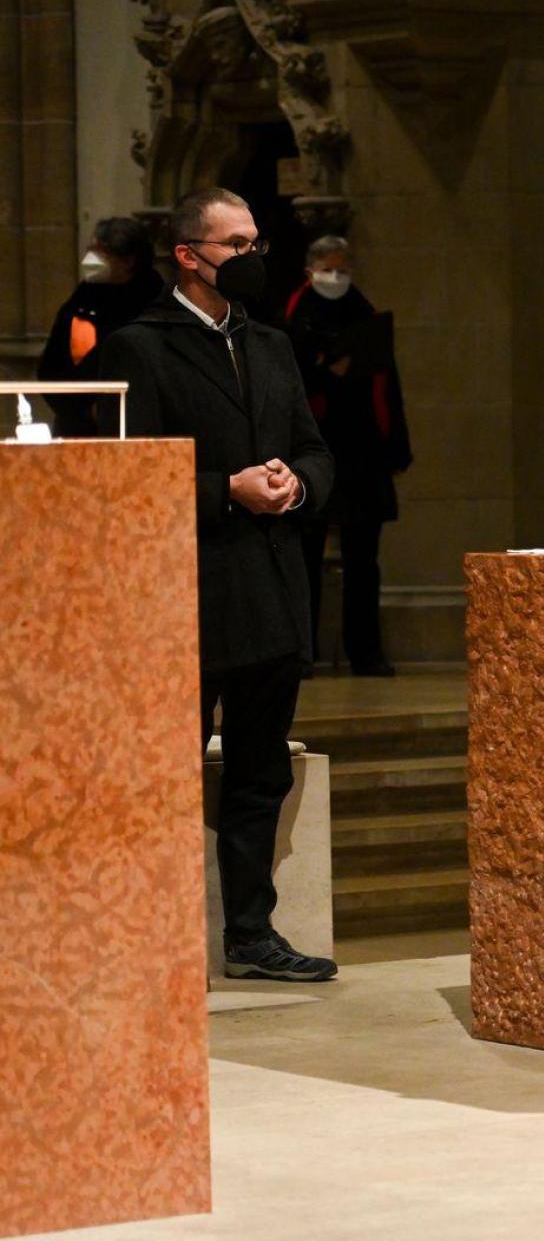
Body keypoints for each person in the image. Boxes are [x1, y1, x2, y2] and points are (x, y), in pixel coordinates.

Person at [99, 188, 338, 982]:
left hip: (271, 588)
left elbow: (315, 450)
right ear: (188, 256)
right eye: (235, 245)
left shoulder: (269, 344)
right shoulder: (140, 347)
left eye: (255, 243)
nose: (251, 257)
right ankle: (154, 938)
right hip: (188, 593)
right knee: (168, 771)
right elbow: (120, 478)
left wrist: (295, 484)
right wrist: (223, 490)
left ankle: (251, 934)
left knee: (260, 771)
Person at [285, 235, 412, 677]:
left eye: (342, 268)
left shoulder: (365, 314)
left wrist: (396, 448)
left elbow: (387, 387)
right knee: (304, 556)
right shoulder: (293, 319)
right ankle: (301, 651)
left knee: (364, 559)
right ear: (310, 271)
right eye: (328, 268)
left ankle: (366, 650)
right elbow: (288, 386)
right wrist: (325, 372)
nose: (335, 277)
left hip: (362, 452)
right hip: (312, 450)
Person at [35, 216, 164, 436]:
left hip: (140, 427)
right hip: (79, 426)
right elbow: (51, 365)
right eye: (90, 248)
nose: (90, 257)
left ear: (128, 261)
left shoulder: (156, 299)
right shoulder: (83, 297)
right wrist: (83, 410)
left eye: (100, 251)